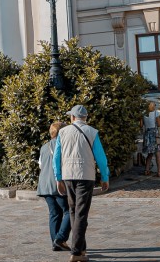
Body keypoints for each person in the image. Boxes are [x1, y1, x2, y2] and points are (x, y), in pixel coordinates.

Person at [53, 105, 110, 262]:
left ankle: (81, 248)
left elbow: (56, 157)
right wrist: (105, 177)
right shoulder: (92, 132)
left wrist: (58, 177)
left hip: (68, 175)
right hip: (86, 175)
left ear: (72, 117)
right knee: (81, 213)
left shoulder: (63, 132)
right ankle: (77, 251)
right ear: (86, 117)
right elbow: (101, 157)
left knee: (73, 211)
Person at [38, 122, 70, 252]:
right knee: (69, 211)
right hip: (57, 184)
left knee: (54, 213)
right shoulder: (63, 145)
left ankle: (55, 242)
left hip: (44, 184)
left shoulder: (44, 147)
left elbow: (40, 164)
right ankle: (60, 238)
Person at [141, 101, 160, 176]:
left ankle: (146, 170)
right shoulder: (156, 113)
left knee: (150, 153)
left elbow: (141, 125)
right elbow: (159, 124)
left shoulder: (143, 113)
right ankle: (159, 171)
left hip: (147, 134)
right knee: (158, 153)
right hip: (155, 134)